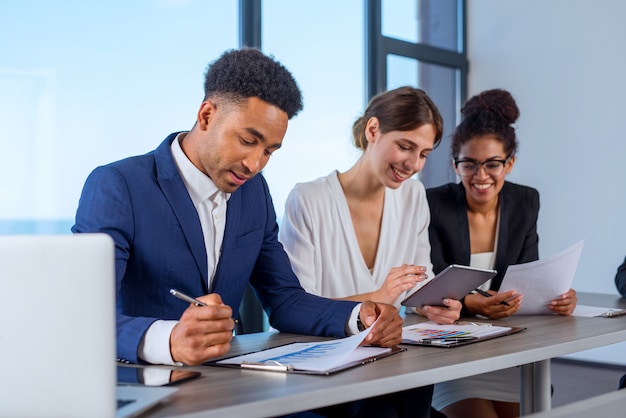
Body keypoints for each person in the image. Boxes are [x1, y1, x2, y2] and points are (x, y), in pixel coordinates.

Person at [72, 47, 402, 369]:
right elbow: (83, 314)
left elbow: (285, 300)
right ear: (206, 116)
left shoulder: (253, 192)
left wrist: (359, 316)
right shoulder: (118, 185)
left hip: (228, 381)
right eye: (247, 141)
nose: (255, 164)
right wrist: (169, 339)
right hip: (140, 383)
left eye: (270, 151)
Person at [280, 86, 462, 418]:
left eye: (423, 154)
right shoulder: (309, 200)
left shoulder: (412, 196)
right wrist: (377, 296)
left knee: (415, 389)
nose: (413, 165)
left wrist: (434, 303)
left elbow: (419, 279)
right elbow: (297, 309)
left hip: (389, 360)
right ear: (373, 130)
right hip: (328, 366)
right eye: (405, 147)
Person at [426, 88, 578, 418]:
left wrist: (558, 296)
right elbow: (434, 279)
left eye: (492, 164)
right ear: (455, 165)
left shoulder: (525, 201)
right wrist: (471, 303)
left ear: (509, 164)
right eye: (469, 164)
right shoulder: (434, 204)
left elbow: (529, 277)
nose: (481, 176)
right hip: (454, 353)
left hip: (507, 348)